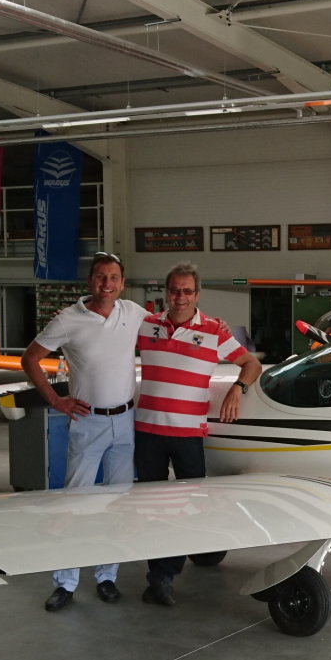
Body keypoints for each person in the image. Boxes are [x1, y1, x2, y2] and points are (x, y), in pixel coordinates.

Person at [133, 262, 264, 607]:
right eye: (175, 290)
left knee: (186, 507)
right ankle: (159, 577)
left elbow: (251, 364)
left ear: (197, 295)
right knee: (152, 508)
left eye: (187, 291)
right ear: (166, 292)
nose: (181, 297)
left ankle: (166, 574)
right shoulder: (145, 325)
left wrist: (237, 389)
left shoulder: (214, 331)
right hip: (147, 431)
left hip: (188, 434)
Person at [23, 251, 146, 611]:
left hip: (125, 422)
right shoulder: (68, 320)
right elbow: (30, 359)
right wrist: (55, 399)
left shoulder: (133, 313)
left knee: (119, 504)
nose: (107, 283)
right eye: (101, 276)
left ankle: (107, 576)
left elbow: (172, 325)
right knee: (73, 504)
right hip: (87, 422)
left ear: (122, 283)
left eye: (114, 277)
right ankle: (65, 582)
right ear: (90, 281)